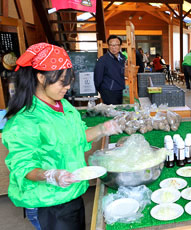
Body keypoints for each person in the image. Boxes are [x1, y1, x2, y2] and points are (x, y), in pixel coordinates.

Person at [2, 43, 122, 230]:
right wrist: (50, 175)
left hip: (71, 192)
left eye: (69, 81)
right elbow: (23, 166)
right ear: (41, 77)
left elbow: (78, 137)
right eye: (61, 82)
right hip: (47, 202)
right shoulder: (25, 120)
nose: (67, 87)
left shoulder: (64, 107)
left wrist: (102, 129)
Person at [94, 35, 127, 105]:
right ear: (108, 46)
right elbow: (97, 78)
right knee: (111, 113)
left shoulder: (122, 58)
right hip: (108, 91)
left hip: (119, 89)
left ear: (120, 46)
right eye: (111, 45)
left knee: (118, 111)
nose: (114, 47)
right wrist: (103, 90)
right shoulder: (103, 60)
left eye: (116, 45)